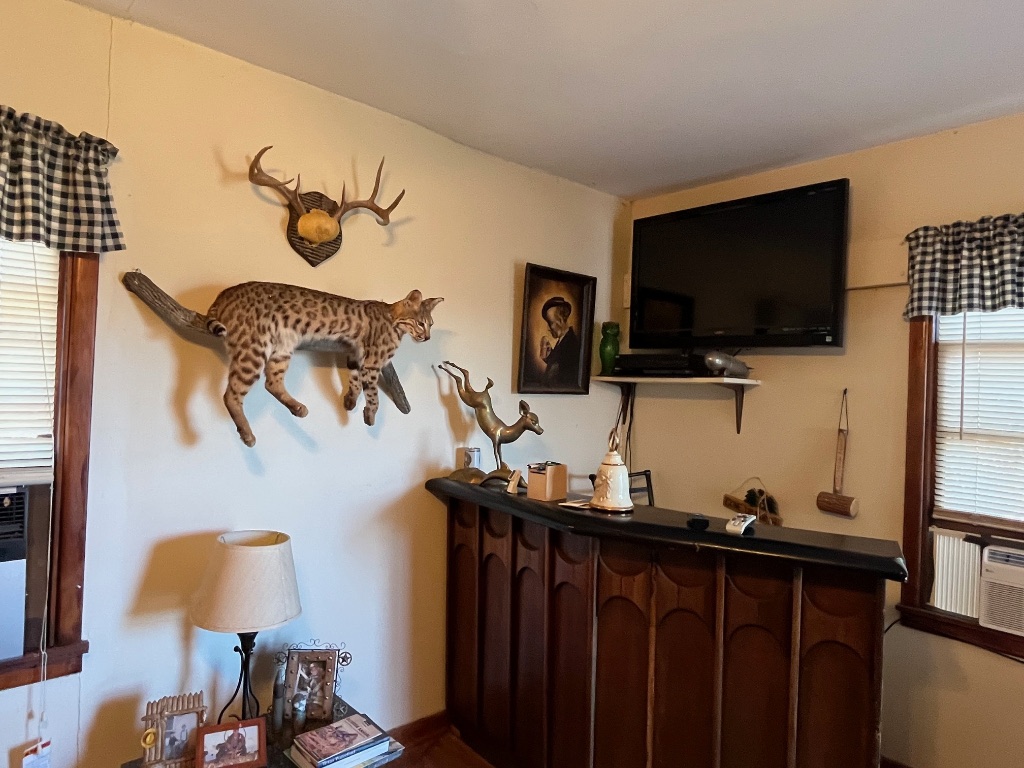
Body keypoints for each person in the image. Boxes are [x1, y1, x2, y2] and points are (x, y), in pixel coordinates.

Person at [539, 296, 580, 387]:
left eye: (551, 323)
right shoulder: (562, 342)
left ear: (561, 320)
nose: (548, 328)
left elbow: (562, 379)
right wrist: (548, 358)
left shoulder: (571, 343)